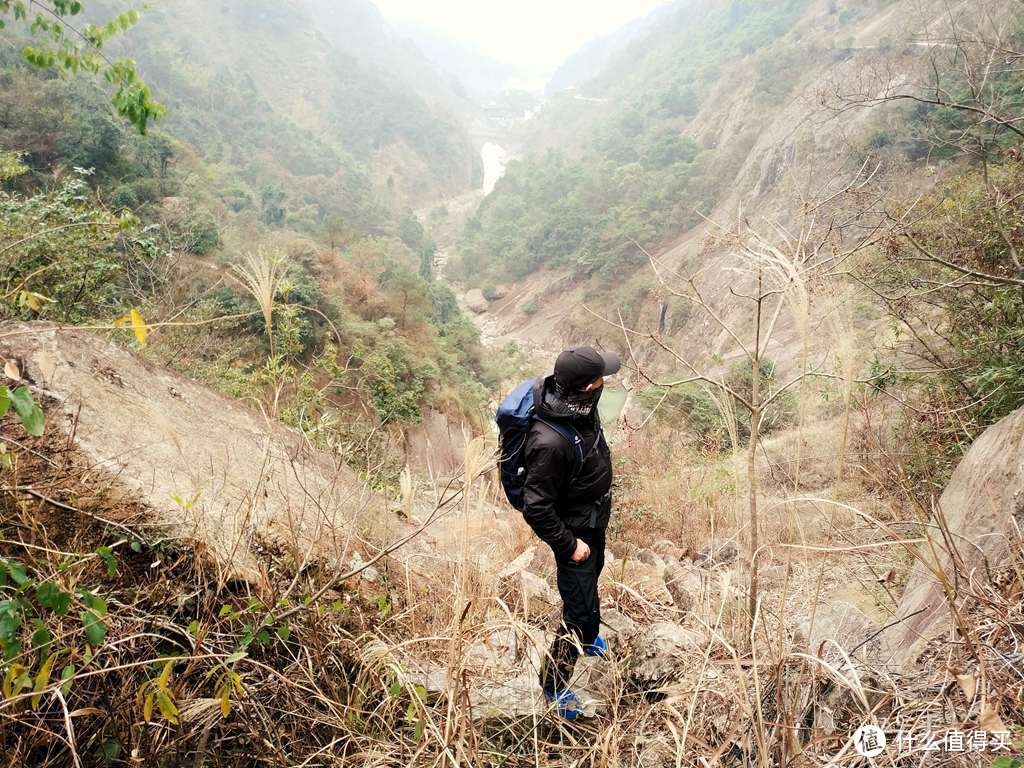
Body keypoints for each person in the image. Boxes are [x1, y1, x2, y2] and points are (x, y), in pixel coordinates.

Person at [521, 346, 619, 720]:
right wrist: (569, 544)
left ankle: (590, 635)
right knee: (578, 618)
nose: (604, 384)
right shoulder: (548, 442)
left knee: (593, 576)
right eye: (599, 380)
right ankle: (554, 684)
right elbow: (537, 507)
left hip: (592, 521)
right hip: (574, 532)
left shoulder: (578, 406)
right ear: (584, 388)